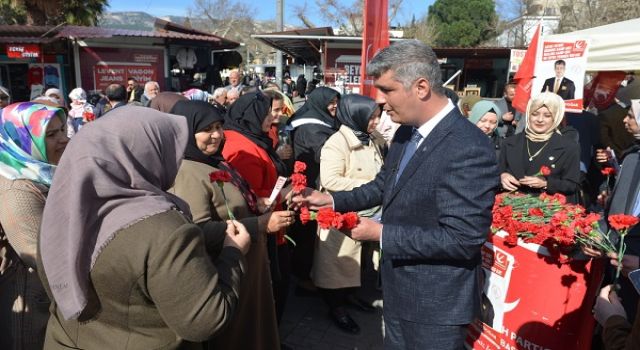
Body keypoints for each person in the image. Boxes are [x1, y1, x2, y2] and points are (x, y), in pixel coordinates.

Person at [293, 40, 499, 349]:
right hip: (397, 289)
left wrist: (381, 234)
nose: (381, 102)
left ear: (420, 87)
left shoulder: (468, 146)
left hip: (436, 305)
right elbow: (382, 186)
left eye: (387, 90)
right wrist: (331, 199)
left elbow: (463, 238)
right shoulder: (405, 133)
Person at [37, 106, 250, 349]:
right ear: (143, 154)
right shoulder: (165, 229)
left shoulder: (61, 211)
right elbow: (205, 321)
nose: (176, 160)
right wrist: (233, 254)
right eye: (166, 150)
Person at [169, 101, 293, 350]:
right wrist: (258, 224)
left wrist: (253, 203)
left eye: (218, 126)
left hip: (245, 263)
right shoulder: (187, 172)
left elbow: (226, 204)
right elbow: (197, 230)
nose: (216, 135)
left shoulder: (213, 161)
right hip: (226, 268)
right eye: (206, 129)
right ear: (185, 132)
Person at [313, 94, 383, 334]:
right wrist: (371, 185)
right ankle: (336, 308)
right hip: (341, 213)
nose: (376, 121)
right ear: (356, 115)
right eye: (371, 117)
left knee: (358, 264)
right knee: (337, 267)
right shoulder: (336, 142)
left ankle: (350, 298)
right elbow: (331, 180)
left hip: (367, 212)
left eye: (377, 116)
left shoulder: (369, 138)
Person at [0, 102, 68, 350]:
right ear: (20, 140)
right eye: (51, 135)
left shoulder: (40, 172)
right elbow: (42, 258)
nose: (64, 139)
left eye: (63, 130)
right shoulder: (17, 189)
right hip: (34, 302)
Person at [221, 91, 292, 323]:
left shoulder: (249, 137)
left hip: (265, 225)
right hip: (258, 230)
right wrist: (285, 193)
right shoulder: (240, 147)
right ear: (251, 115)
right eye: (266, 114)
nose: (271, 119)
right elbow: (250, 197)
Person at [287, 86, 340, 293]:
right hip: (309, 188)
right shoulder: (311, 127)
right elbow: (325, 156)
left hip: (312, 184)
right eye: (331, 102)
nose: (334, 106)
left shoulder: (321, 120)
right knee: (306, 235)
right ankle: (302, 278)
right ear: (320, 103)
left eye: (336, 101)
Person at [499, 92, 581, 202]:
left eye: (547, 115)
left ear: (556, 117)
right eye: (535, 114)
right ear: (528, 114)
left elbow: (572, 185)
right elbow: (496, 173)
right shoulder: (509, 142)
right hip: (510, 209)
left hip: (547, 211)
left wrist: (546, 183)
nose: (540, 119)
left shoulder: (569, 146)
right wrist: (502, 176)